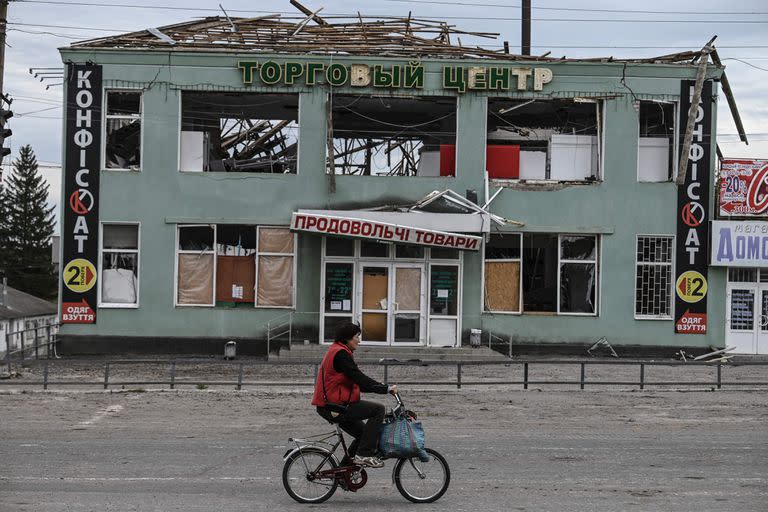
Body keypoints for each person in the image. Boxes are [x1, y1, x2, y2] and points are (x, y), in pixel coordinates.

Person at [311, 322, 397, 468]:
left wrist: (382, 388)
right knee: (378, 410)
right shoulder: (341, 354)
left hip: (335, 405)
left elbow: (358, 383)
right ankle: (364, 455)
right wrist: (386, 389)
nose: (359, 340)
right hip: (334, 407)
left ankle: (343, 473)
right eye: (357, 336)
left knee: (364, 435)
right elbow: (360, 379)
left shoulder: (339, 351)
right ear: (347, 338)